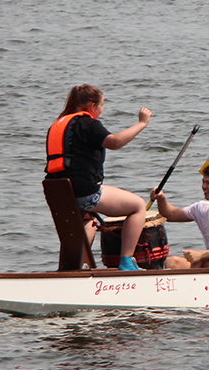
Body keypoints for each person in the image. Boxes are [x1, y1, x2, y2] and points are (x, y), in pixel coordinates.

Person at [44, 84, 151, 271]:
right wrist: (142, 123)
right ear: (92, 106)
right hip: (83, 193)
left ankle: (71, 267)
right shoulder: (89, 123)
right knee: (138, 206)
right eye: (101, 106)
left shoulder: (58, 124)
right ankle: (126, 262)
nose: (101, 111)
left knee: (87, 219)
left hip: (59, 195)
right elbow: (115, 142)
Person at [149, 162, 209, 269]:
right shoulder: (201, 208)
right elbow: (170, 214)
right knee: (171, 262)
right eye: (203, 182)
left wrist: (201, 255)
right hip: (208, 262)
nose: (204, 186)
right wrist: (161, 198)